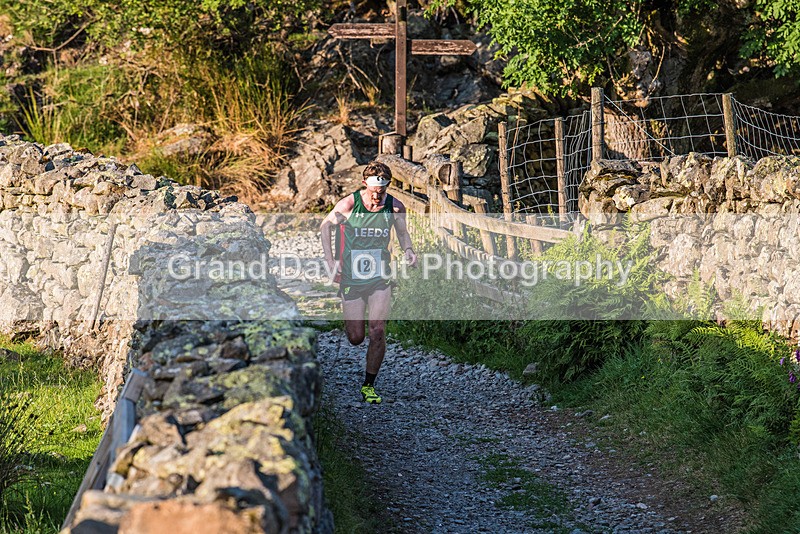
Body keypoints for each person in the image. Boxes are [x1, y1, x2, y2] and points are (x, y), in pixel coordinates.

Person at [320, 160, 417, 404]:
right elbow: (325, 226)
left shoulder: (395, 208)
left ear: (387, 187)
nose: (377, 197)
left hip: (379, 276)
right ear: (365, 185)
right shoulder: (349, 204)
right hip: (352, 277)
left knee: (378, 330)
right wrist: (330, 261)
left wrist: (408, 250)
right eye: (374, 192)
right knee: (355, 337)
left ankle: (369, 385)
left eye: (382, 192)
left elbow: (403, 233)